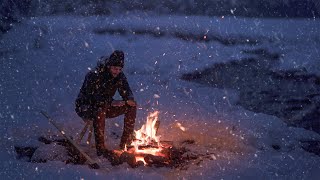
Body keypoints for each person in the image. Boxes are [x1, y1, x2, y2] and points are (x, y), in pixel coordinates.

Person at [75, 50, 137, 156]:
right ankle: (101, 149)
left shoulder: (119, 76)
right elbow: (93, 97)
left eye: (119, 69)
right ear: (109, 66)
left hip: (105, 106)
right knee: (100, 109)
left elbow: (126, 90)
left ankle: (125, 143)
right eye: (114, 68)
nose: (116, 71)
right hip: (86, 107)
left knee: (131, 107)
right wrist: (111, 102)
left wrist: (129, 99)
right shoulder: (94, 75)